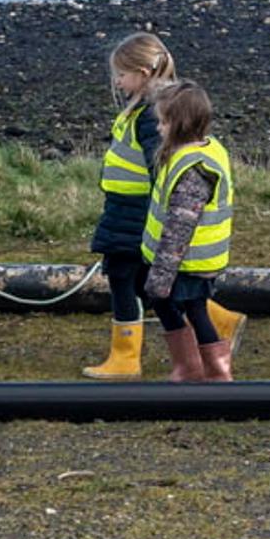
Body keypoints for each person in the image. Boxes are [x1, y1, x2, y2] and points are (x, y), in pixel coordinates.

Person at [83, 33, 175, 381]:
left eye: (121, 75)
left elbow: (160, 166)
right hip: (124, 210)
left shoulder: (150, 114)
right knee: (142, 283)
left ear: (142, 72)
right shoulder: (143, 109)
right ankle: (216, 321)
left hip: (135, 215)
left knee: (124, 279)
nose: (117, 82)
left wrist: (159, 215)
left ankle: (125, 358)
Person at [139, 77, 239, 382]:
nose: (159, 128)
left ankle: (212, 372)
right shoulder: (200, 153)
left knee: (182, 307)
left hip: (188, 262)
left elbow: (179, 229)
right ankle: (195, 367)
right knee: (190, 309)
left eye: (164, 122)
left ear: (180, 124)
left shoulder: (192, 171)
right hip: (188, 261)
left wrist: (160, 277)